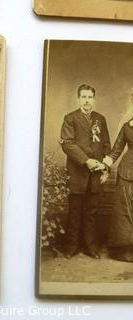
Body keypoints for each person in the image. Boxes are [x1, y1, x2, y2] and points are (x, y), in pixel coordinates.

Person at [60, 84, 111, 259]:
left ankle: (91, 247)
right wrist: (86, 160)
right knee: (74, 211)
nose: (87, 100)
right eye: (83, 97)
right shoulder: (70, 118)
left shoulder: (100, 119)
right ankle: (71, 247)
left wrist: (106, 167)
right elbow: (67, 144)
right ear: (78, 98)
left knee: (91, 211)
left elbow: (106, 145)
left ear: (94, 99)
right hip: (77, 173)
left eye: (90, 97)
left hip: (96, 174)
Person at [103, 89, 133, 262]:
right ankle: (125, 249)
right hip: (127, 172)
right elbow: (116, 150)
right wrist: (105, 164)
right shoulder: (127, 127)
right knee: (124, 212)